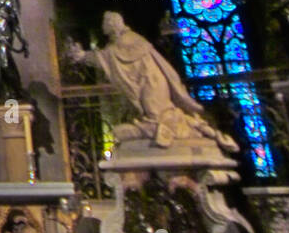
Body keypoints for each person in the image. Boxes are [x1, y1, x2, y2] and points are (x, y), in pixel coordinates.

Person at [67, 11, 238, 154]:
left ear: (112, 25)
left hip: (152, 84)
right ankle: (208, 133)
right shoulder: (122, 42)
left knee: (161, 117)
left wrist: (83, 56)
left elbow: (107, 57)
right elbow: (106, 57)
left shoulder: (128, 40)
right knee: (160, 117)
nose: (103, 27)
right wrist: (83, 57)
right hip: (147, 84)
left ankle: (206, 133)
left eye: (105, 23)